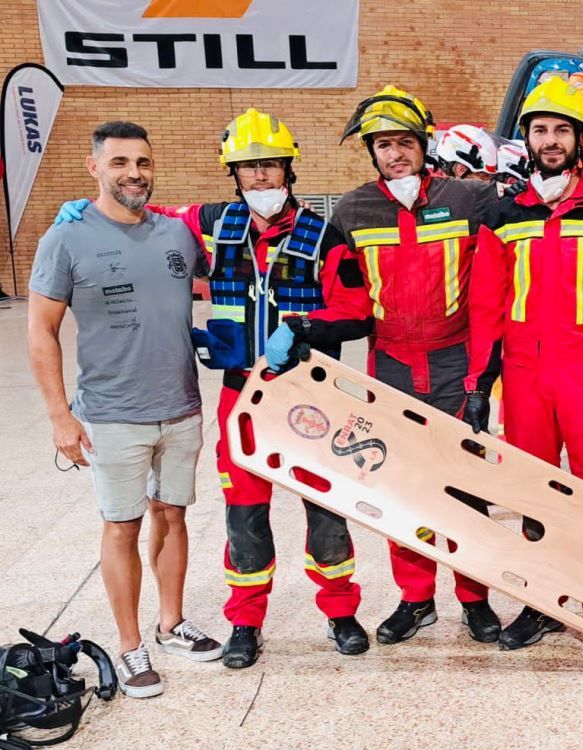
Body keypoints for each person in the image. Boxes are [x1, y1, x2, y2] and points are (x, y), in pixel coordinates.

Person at [49, 109, 367, 667]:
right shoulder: (212, 223)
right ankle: (246, 621)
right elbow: (144, 214)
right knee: (244, 513)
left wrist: (303, 328)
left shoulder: (326, 233)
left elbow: (357, 307)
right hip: (242, 395)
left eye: (270, 166)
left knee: (326, 509)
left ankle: (340, 612)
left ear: (289, 169)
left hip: (313, 396)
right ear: (234, 175)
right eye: (248, 169)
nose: (261, 178)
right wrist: (85, 215)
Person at [269, 85, 504, 648]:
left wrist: (480, 380)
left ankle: (475, 599)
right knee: (403, 488)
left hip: (456, 362)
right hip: (390, 364)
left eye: (404, 142)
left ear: (424, 145)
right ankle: (416, 598)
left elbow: (507, 262)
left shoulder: (469, 200)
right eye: (383, 145)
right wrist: (306, 324)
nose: (395, 154)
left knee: (466, 487)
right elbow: (348, 300)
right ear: (370, 152)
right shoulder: (352, 212)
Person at [464, 76, 583, 666]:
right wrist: (477, 385)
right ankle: (542, 604)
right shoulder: (502, 215)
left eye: (561, 131)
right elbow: (485, 306)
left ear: (580, 139)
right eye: (541, 130)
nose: (551, 140)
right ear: (527, 140)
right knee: (534, 492)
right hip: (523, 378)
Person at [27, 121, 220, 698]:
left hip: (182, 406)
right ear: (94, 168)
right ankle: (131, 646)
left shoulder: (177, 234)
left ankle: (171, 622)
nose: (133, 173)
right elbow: (41, 329)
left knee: (174, 516)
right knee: (122, 525)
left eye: (142, 162)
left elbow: (230, 268)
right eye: (118, 163)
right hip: (112, 415)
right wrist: (61, 415)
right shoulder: (65, 237)